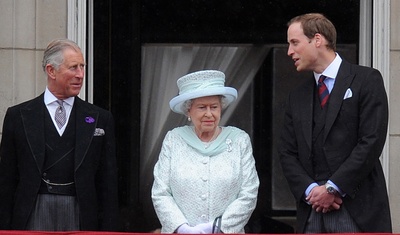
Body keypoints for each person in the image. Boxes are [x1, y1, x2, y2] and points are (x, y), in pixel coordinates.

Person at [279, 13, 392, 233]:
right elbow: (287, 153)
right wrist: (312, 191)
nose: (289, 52)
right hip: (311, 212)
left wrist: (332, 188)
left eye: (295, 43)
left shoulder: (367, 80)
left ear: (318, 40)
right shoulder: (296, 96)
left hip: (357, 210)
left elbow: (371, 141)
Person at [0, 39, 119, 231]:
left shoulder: (100, 118)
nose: (80, 75)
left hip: (82, 214)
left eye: (82, 67)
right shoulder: (18, 116)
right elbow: (6, 179)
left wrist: (109, 230)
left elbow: (108, 184)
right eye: (73, 67)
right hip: (33, 212)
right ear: (51, 71)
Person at [151, 70, 259, 233]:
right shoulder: (173, 140)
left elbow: (249, 192)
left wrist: (217, 227)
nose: (209, 114)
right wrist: (182, 228)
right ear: (189, 111)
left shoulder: (239, 140)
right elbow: (160, 192)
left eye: (214, 107)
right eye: (202, 107)